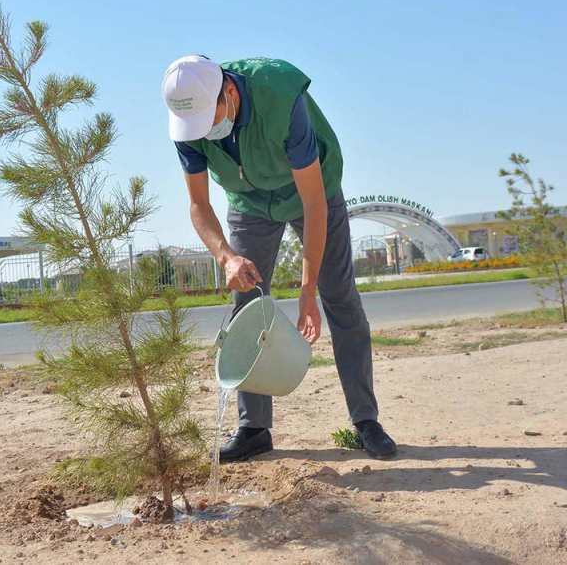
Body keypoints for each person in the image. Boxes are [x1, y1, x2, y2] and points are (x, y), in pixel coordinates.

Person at [161, 55, 398, 462]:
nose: (205, 133)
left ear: (230, 92)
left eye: (209, 118)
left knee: (339, 297)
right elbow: (198, 204)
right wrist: (226, 257)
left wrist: (308, 290)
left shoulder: (281, 95)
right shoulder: (187, 125)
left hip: (310, 193)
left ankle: (365, 421)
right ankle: (254, 429)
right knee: (246, 302)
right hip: (249, 203)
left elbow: (313, 201)